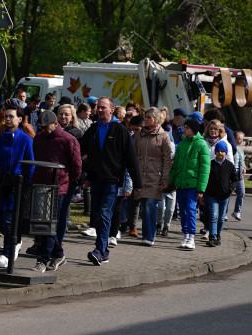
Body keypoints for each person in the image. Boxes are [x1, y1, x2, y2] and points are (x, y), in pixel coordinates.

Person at [79, 97, 142, 266]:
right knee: (98, 216)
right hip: (96, 180)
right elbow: (80, 150)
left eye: (103, 107)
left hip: (112, 181)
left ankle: (100, 250)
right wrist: (85, 176)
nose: (100, 110)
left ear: (112, 110)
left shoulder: (120, 130)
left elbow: (131, 158)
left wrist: (138, 184)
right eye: (98, 107)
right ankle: (104, 252)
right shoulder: (92, 130)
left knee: (105, 214)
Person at [0, 106, 34, 268]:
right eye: (5, 116)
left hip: (16, 186)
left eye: (11, 116)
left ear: (19, 119)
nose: (7, 119)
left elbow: (30, 166)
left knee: (9, 222)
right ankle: (16, 240)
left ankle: (7, 254)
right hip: (1, 185)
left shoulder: (26, 140)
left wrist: (26, 185)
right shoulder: (1, 139)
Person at [30, 110, 81, 273]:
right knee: (42, 223)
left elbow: (76, 165)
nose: (43, 130)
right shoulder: (38, 139)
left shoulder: (68, 140)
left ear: (54, 124)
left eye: (45, 127)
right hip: (41, 185)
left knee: (50, 224)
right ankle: (58, 254)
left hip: (59, 187)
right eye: (41, 127)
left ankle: (43, 260)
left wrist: (67, 181)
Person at [168, 117, 210, 251]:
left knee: (191, 210)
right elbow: (175, 166)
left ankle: (191, 236)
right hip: (181, 183)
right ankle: (185, 234)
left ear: (193, 129)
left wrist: (201, 188)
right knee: (183, 211)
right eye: (184, 127)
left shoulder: (201, 144)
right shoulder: (181, 144)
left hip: (192, 185)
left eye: (187, 128)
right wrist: (171, 182)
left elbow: (205, 168)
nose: (184, 129)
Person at [133, 107, 172, 246]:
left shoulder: (164, 136)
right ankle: (146, 235)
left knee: (150, 204)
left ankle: (150, 236)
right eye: (146, 117)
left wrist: (165, 179)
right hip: (141, 176)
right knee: (144, 204)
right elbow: (133, 156)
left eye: (149, 117)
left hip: (155, 176)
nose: (146, 120)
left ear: (156, 119)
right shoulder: (138, 136)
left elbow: (167, 159)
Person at [204, 140, 238, 247]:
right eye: (218, 151)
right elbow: (205, 179)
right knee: (213, 216)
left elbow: (235, 179)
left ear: (226, 153)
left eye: (222, 151)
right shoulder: (210, 164)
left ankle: (218, 235)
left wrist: (230, 189)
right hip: (212, 195)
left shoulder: (230, 166)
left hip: (224, 196)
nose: (220, 153)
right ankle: (212, 236)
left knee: (221, 217)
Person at [232, 130, 247, 221]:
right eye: (239, 138)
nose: (240, 140)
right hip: (231, 174)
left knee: (241, 193)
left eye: (242, 139)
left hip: (239, 175)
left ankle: (237, 212)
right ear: (234, 138)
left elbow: (242, 161)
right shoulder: (231, 147)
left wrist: (244, 167)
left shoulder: (241, 150)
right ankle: (224, 213)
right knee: (227, 194)